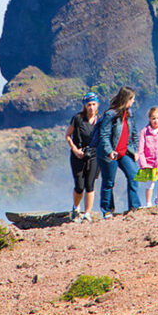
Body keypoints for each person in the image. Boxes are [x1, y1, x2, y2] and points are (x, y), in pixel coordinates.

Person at [97, 86, 141, 217]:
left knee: (134, 175)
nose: (133, 101)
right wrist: (109, 151)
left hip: (125, 152)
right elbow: (103, 135)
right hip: (109, 153)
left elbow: (134, 133)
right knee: (109, 182)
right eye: (132, 99)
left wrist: (135, 150)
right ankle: (107, 210)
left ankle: (135, 207)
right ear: (126, 99)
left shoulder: (130, 114)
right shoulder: (110, 114)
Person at [65, 93, 101, 221]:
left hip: (94, 155)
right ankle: (75, 208)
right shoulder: (78, 119)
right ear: (85, 106)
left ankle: (87, 213)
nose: (91, 107)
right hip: (78, 155)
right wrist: (75, 150)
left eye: (93, 104)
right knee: (80, 186)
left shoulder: (100, 120)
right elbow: (68, 135)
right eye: (89, 105)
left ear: (98, 105)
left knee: (90, 184)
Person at [137, 106, 158, 206]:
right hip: (149, 162)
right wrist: (143, 164)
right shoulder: (144, 131)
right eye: (153, 118)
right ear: (149, 119)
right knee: (150, 183)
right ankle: (148, 203)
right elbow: (141, 149)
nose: (155, 120)